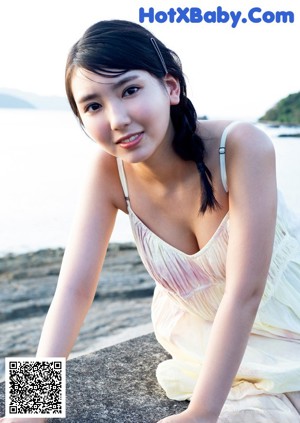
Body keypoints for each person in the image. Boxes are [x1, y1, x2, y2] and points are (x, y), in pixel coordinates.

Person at [1, 19, 300, 423]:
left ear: (171, 87)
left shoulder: (243, 146)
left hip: (286, 317)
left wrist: (201, 413)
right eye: (93, 106)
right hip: (195, 328)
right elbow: (72, 289)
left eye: (130, 90)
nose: (118, 118)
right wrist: (31, 408)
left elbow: (246, 290)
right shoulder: (109, 173)